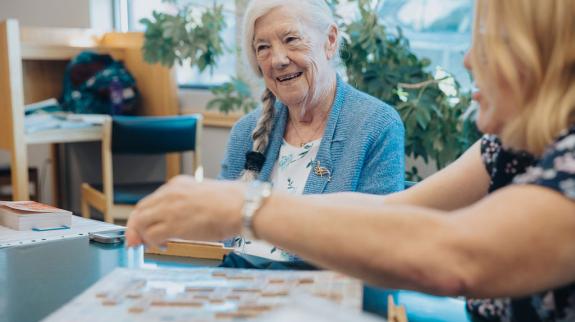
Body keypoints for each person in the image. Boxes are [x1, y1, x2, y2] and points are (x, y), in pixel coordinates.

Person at [126, 0, 575, 320]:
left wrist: (244, 208)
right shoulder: (509, 147)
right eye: (263, 47)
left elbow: (456, 257)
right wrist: (233, 207)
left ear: (555, 54)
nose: (467, 59)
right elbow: (391, 211)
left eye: (491, 41)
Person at [218, 0, 404, 259]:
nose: (279, 60)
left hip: (325, 293)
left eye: (291, 39)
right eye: (263, 47)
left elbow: (381, 244)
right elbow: (219, 238)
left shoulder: (376, 125)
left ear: (330, 40)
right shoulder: (246, 132)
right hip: (240, 291)